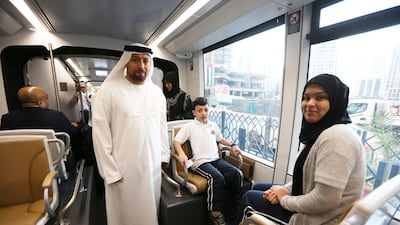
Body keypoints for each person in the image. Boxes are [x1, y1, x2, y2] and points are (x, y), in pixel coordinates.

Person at [237, 74, 366, 225]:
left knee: (250, 197)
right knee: (260, 187)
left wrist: (284, 199)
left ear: (335, 101)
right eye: (306, 97)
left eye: (320, 98)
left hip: (320, 219)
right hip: (313, 205)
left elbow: (325, 201)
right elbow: (305, 179)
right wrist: (284, 189)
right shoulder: (320, 132)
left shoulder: (337, 137)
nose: (310, 103)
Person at [91, 43, 170, 225]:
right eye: (135, 60)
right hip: (123, 169)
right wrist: (111, 171)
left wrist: (164, 156)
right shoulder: (108, 91)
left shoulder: (157, 94)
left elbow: (161, 127)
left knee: (150, 211)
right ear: (126, 62)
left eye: (145, 61)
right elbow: (101, 135)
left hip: (152, 166)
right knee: (125, 215)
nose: (141, 66)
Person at [173, 97, 242, 225]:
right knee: (217, 178)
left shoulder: (213, 125)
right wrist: (182, 153)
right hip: (200, 162)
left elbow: (221, 139)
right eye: (199, 110)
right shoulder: (189, 126)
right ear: (194, 112)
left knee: (236, 174)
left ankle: (237, 210)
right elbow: (176, 141)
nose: (203, 113)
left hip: (216, 159)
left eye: (205, 110)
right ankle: (214, 212)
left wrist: (233, 145)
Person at [0, 86, 78, 135]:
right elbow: (72, 132)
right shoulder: (56, 116)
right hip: (54, 158)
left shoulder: (7, 118)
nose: (48, 101)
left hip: (20, 157)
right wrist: (73, 125)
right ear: (40, 102)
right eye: (46, 98)